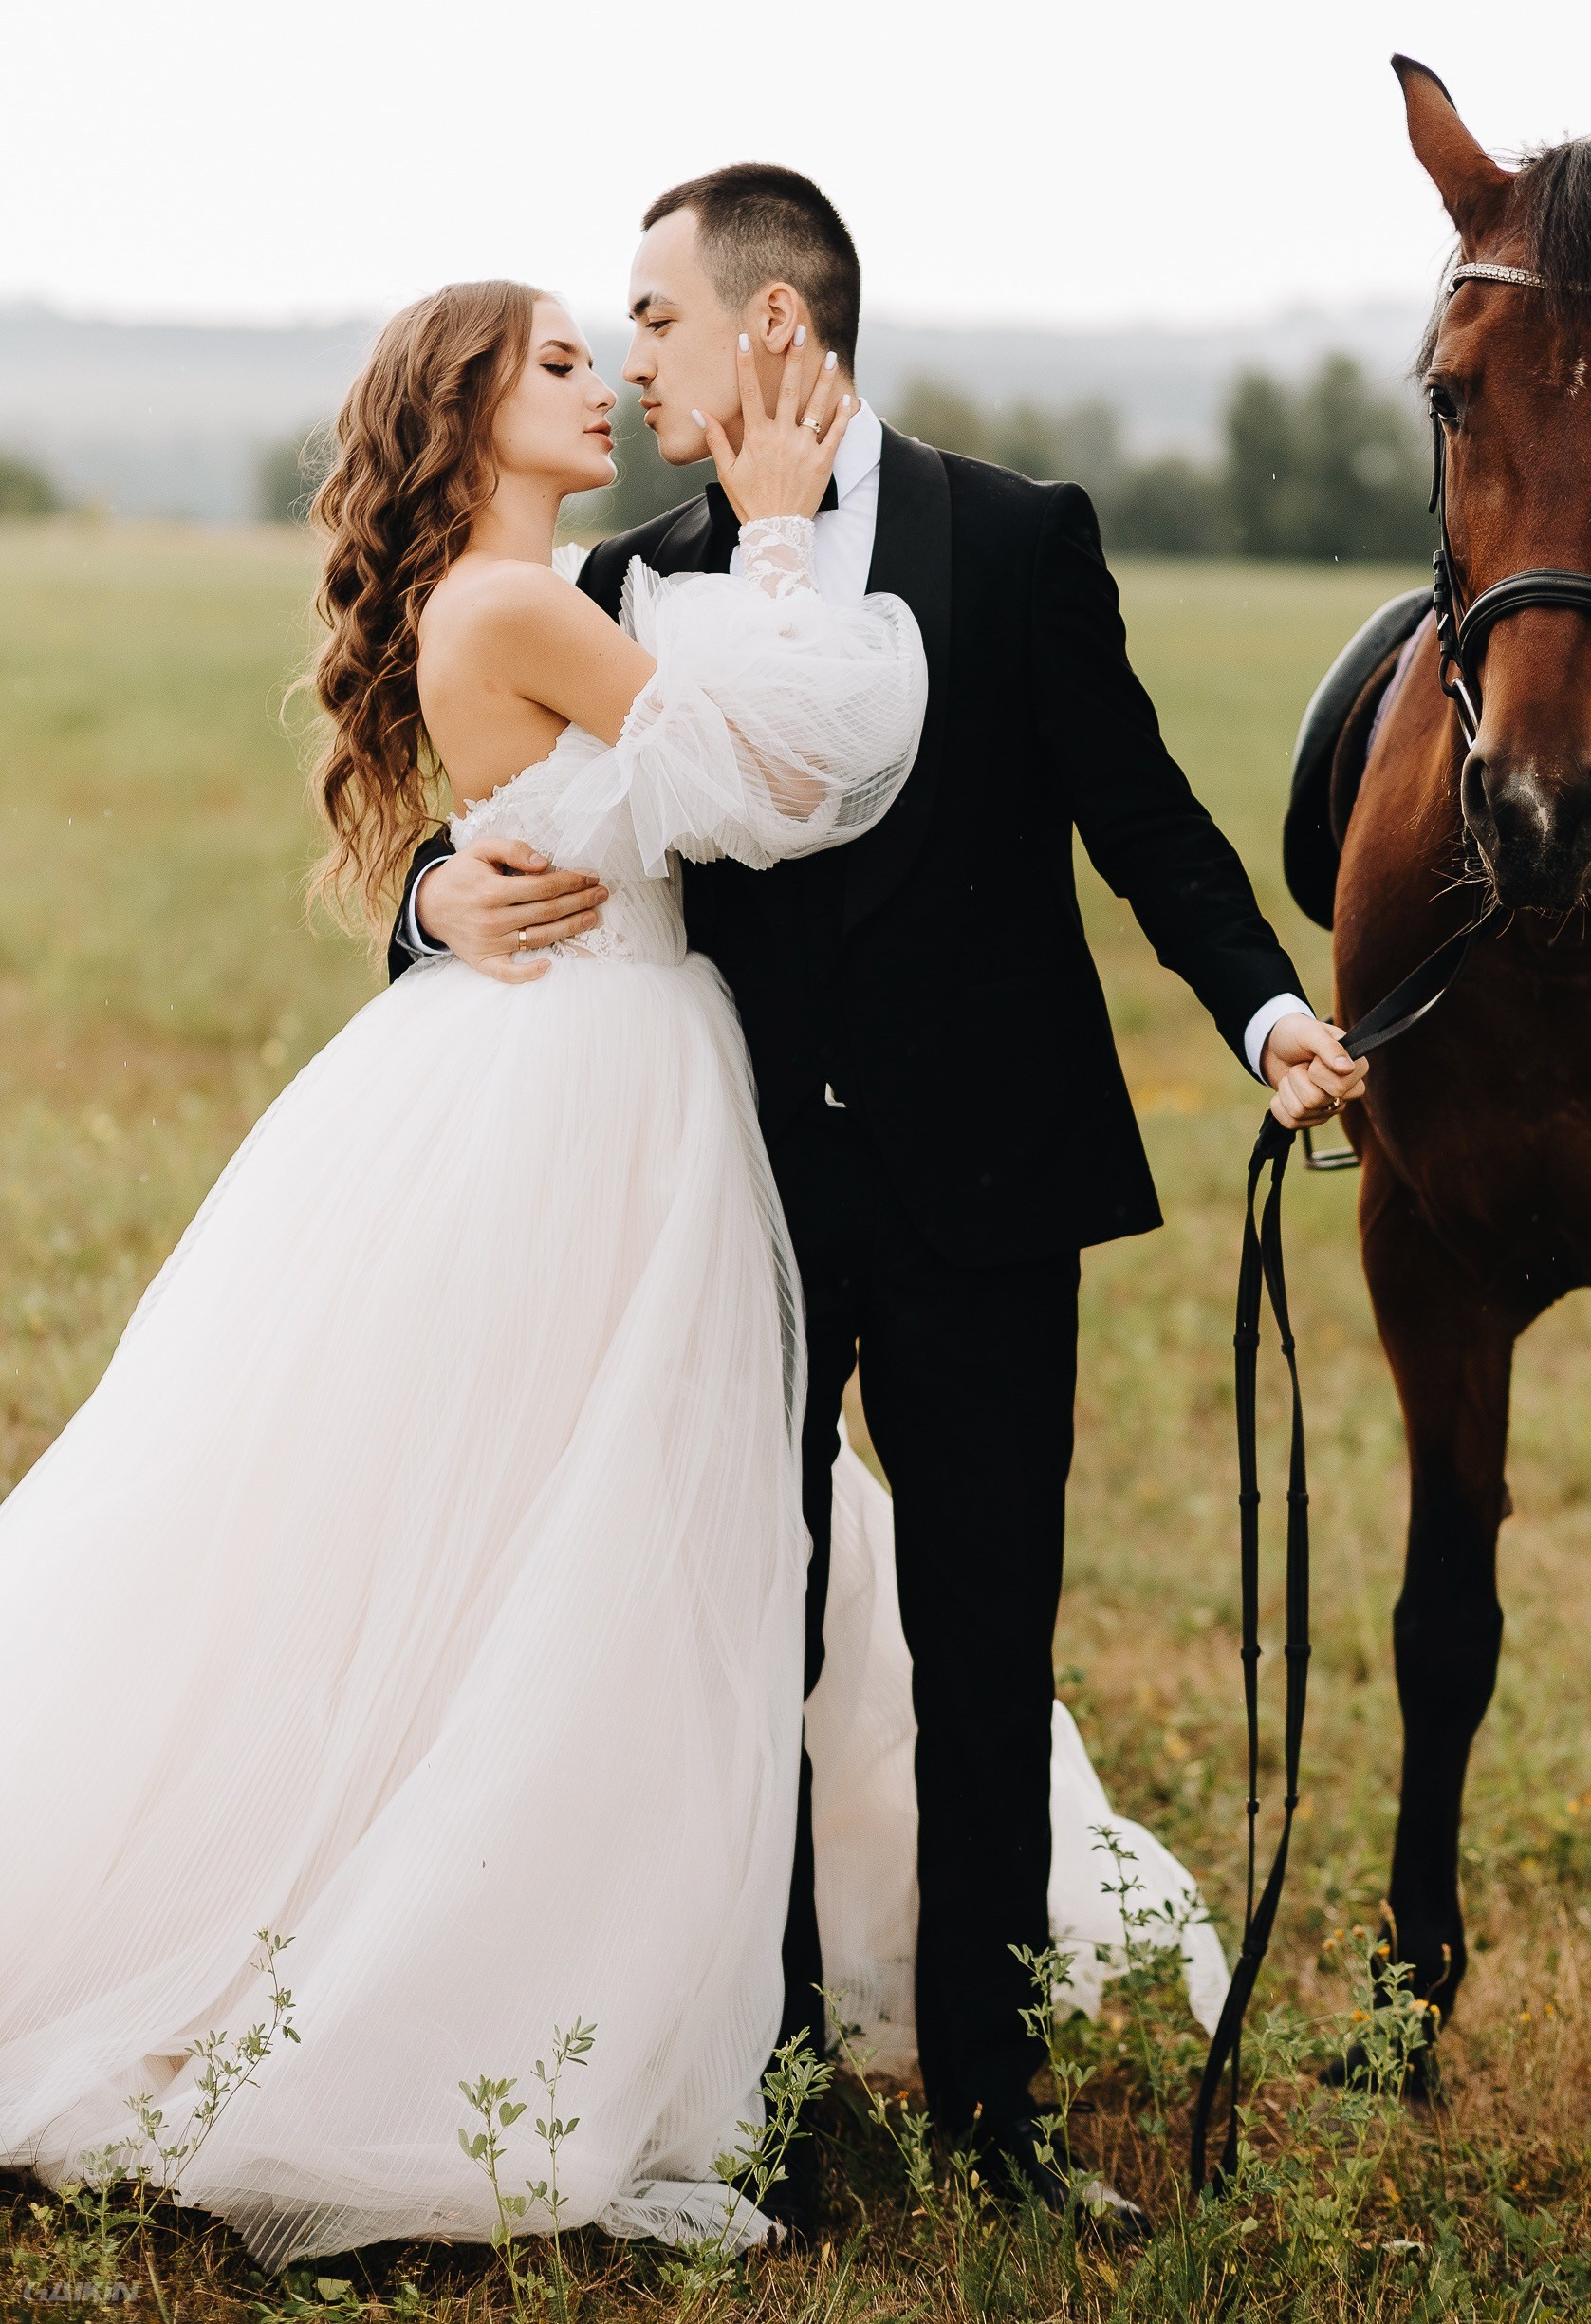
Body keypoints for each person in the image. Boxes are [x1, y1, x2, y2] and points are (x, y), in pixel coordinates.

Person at [396, 172, 1366, 2224]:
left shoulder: (1011, 537)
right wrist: (428, 905)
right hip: (725, 1189)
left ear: (775, 323)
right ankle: (761, 2098)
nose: (632, 356)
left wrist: (1269, 1011)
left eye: (655, 315)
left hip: (990, 1182)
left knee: (983, 1646)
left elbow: (1141, 815)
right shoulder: (634, 574)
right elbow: (516, 810)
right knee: (738, 1641)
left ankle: (997, 2109)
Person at [0, 281, 938, 2264]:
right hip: (590, 1081)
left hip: (585, 1058)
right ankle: (501, 1992)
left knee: (543, 1507)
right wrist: (781, 537)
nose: (601, 385)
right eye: (560, 365)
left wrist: (440, 880)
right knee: (596, 1519)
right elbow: (780, 781)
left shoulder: (532, 592)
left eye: (606, 355)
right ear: (466, 407)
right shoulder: (515, 605)